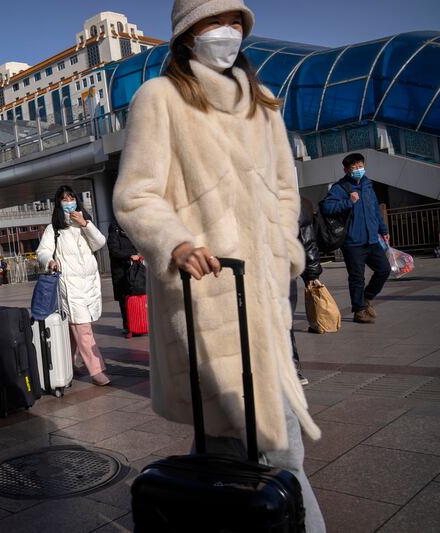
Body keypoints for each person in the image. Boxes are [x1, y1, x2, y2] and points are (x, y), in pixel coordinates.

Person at [112, 1, 324, 531]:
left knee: (232, 447)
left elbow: (284, 190)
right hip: (205, 292)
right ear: (187, 34)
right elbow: (135, 195)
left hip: (267, 292)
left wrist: (283, 252)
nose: (226, 32)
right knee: (273, 444)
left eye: (235, 22)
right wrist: (177, 243)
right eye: (213, 22)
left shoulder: (263, 105)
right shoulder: (159, 99)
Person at [37, 185, 110, 386]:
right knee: (83, 328)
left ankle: (66, 364)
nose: (68, 202)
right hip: (69, 284)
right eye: (64, 199)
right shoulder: (55, 229)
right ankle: (96, 370)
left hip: (89, 283)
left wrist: (85, 224)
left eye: (71, 198)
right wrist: (49, 261)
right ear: (58, 203)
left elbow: (100, 243)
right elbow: (43, 251)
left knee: (73, 328)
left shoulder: (84, 224)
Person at [321, 153, 390, 324]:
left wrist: (383, 229)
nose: (359, 170)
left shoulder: (368, 185)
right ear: (346, 170)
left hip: (372, 239)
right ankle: (359, 311)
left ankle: (367, 298)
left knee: (384, 270)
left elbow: (374, 209)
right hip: (352, 242)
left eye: (361, 166)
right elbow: (327, 207)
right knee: (357, 277)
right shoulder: (340, 188)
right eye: (354, 168)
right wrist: (348, 202)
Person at [291, 197, 323, 385]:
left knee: (283, 321)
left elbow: (306, 237)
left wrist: (312, 273)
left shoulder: (289, 197)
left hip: (282, 270)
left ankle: (292, 367)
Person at [107, 221, 141, 336]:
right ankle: (128, 327)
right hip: (121, 272)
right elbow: (114, 251)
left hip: (135, 270)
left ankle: (140, 324)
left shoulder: (134, 231)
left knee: (138, 297)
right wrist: (131, 255)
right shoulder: (115, 231)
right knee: (125, 300)